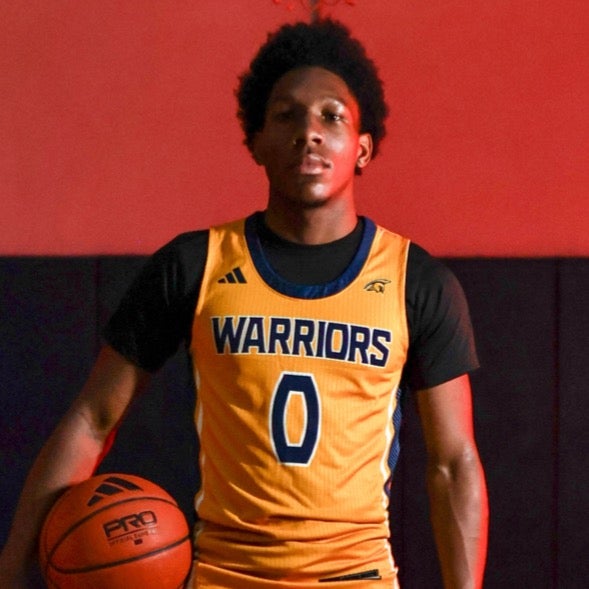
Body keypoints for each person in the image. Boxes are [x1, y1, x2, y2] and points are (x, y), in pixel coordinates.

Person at [0, 18, 488, 589]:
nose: (309, 132)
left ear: (362, 148)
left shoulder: (414, 281)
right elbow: (92, 418)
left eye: (332, 116)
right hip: (225, 576)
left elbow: (453, 463)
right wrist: (12, 565)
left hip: (356, 577)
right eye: (286, 116)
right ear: (255, 142)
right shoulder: (195, 264)